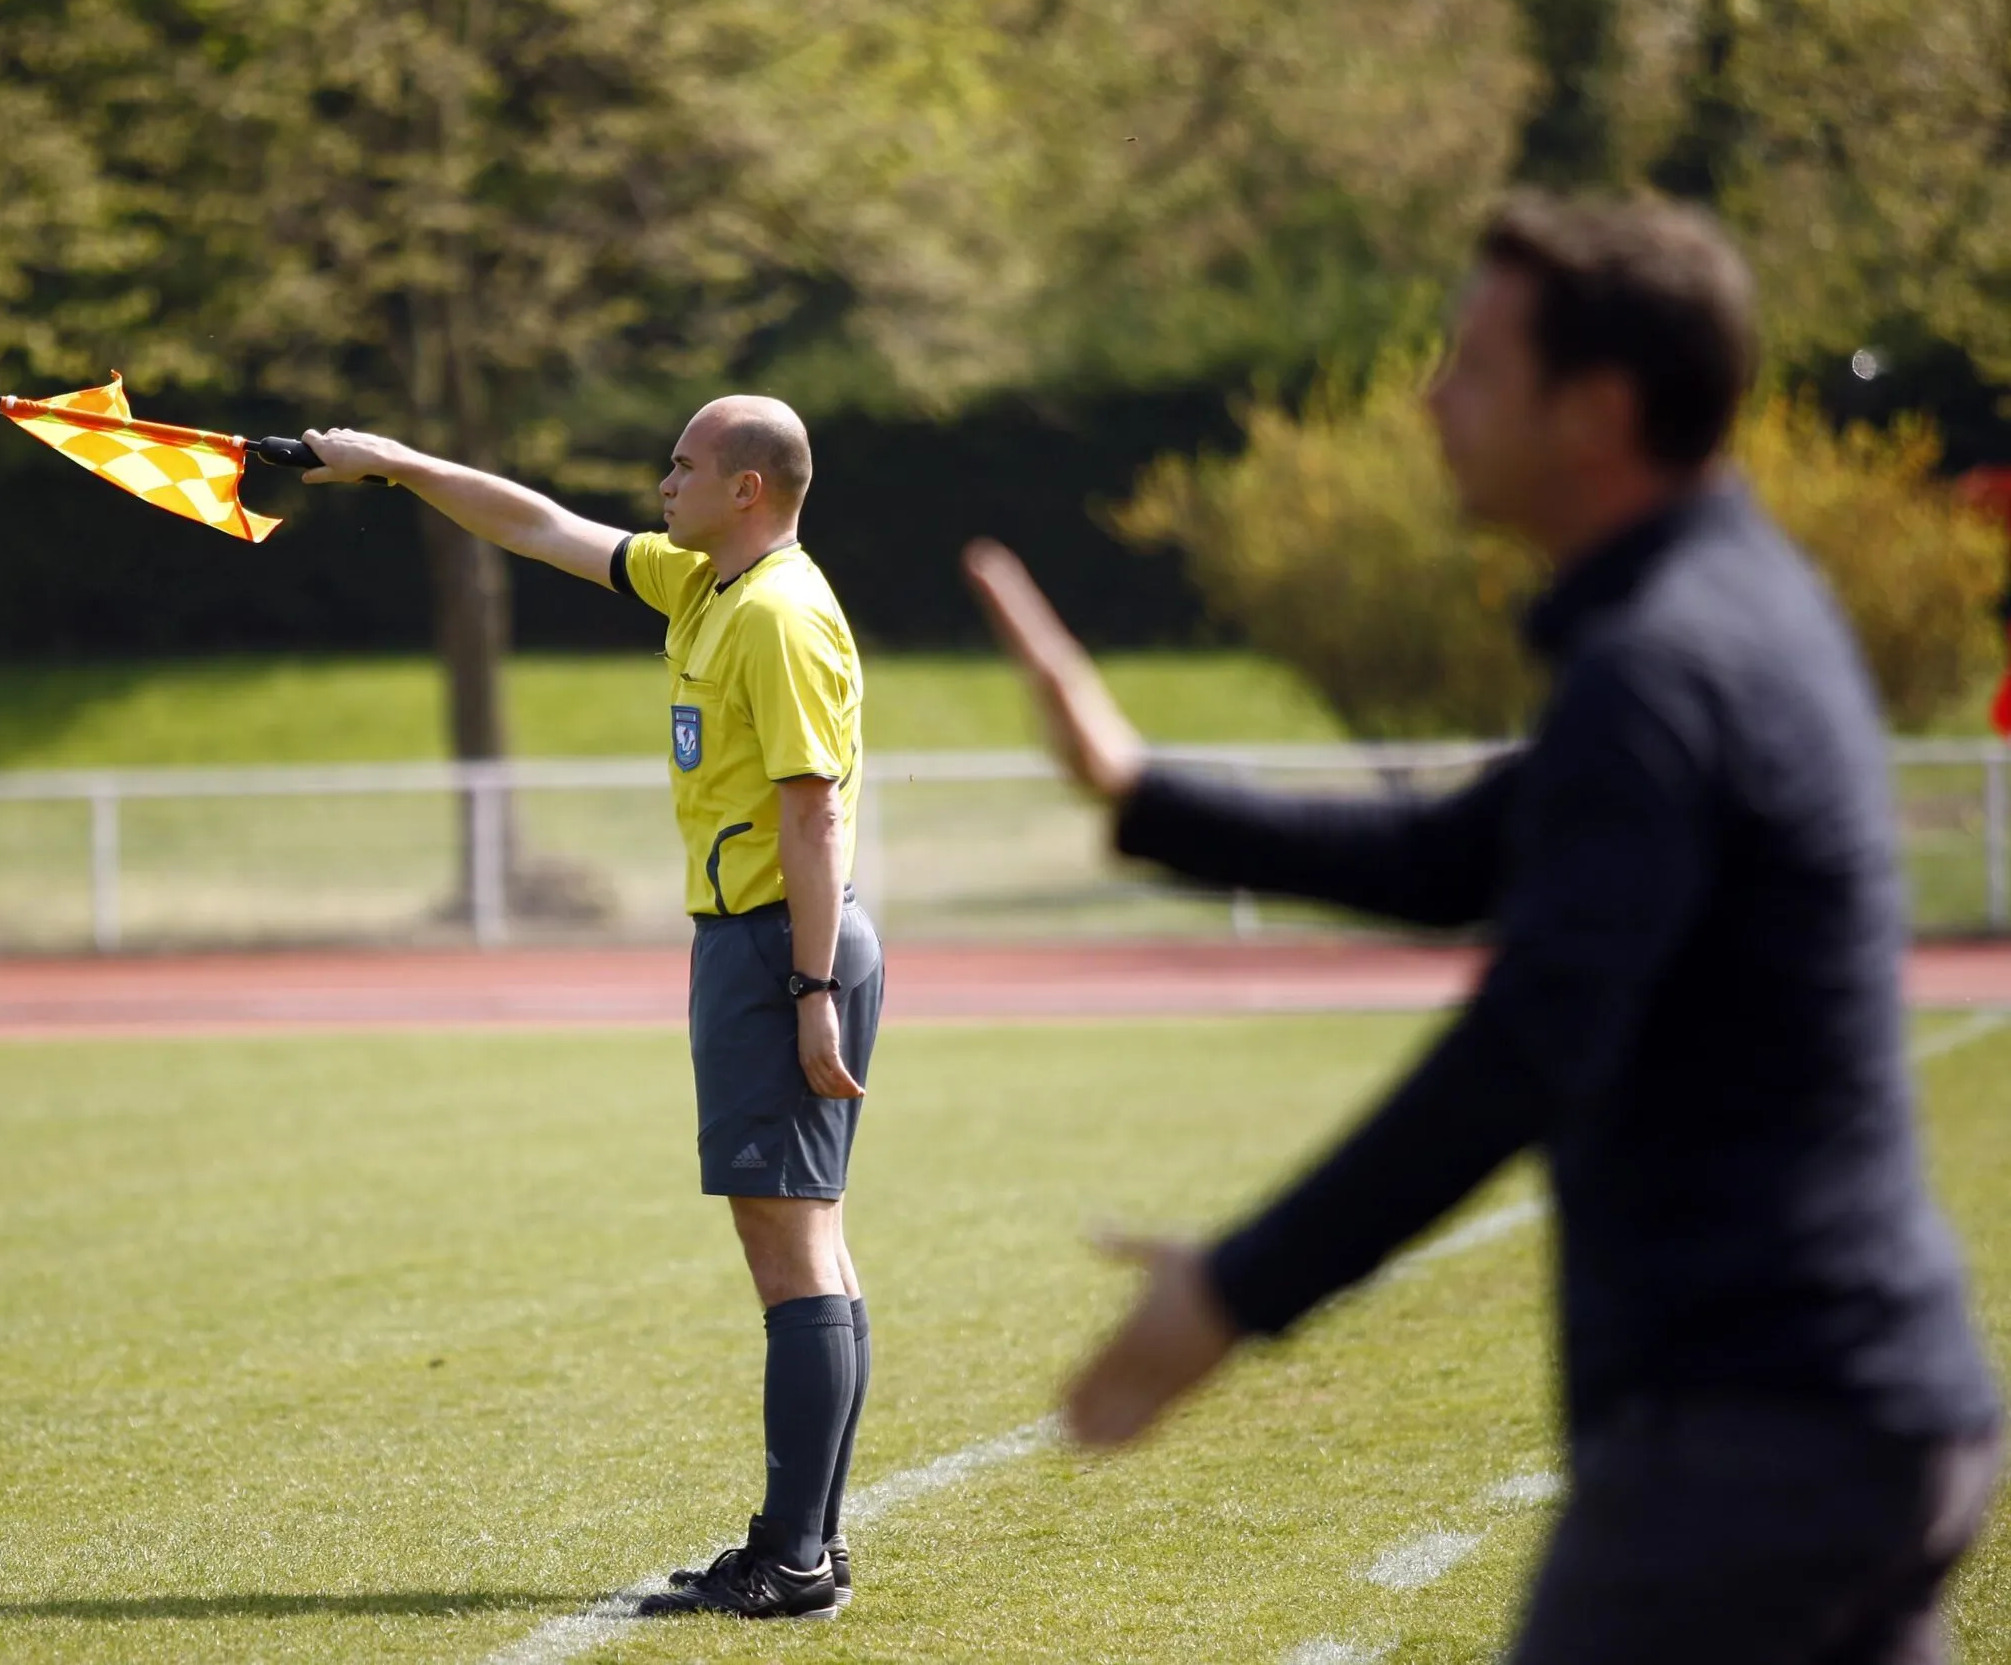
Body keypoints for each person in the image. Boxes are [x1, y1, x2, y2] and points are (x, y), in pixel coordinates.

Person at [965, 191, 2000, 1662]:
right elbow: (1463, 852)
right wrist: (1140, 791)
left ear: (1598, 410)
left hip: (1746, 1438)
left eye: (1470, 364)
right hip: (1860, 1413)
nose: (1430, 399)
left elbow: (1531, 1036)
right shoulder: (1736, 603)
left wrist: (1234, 1288)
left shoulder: (1662, 662)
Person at [301, 399, 880, 1622]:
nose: (660, 480)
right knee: (806, 1242)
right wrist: (396, 465)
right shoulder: (704, 582)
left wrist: (812, 990)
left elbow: (814, 812)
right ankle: (805, 1550)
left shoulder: (775, 612)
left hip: (778, 945)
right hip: (763, 943)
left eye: (683, 464)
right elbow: (541, 527)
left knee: (790, 1249)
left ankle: (792, 1557)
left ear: (748, 490)